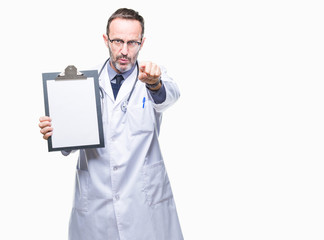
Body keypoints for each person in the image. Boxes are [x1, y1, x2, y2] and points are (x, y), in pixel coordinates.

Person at [39, 8, 183, 240]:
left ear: (142, 42)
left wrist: (155, 84)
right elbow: (70, 144)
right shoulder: (82, 84)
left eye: (132, 42)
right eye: (117, 41)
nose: (124, 51)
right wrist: (56, 132)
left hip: (144, 203)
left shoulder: (152, 77)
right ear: (106, 39)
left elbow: (169, 96)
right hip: (96, 203)